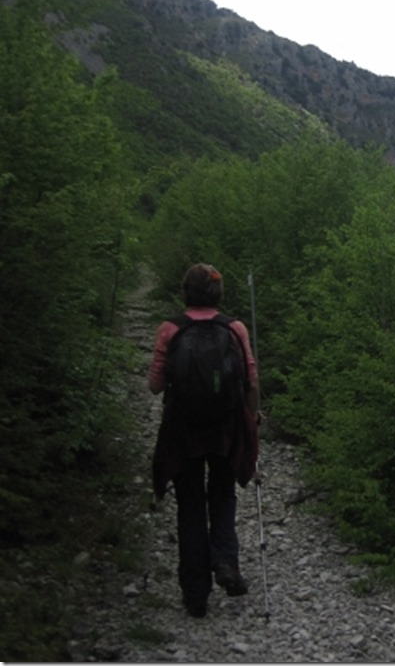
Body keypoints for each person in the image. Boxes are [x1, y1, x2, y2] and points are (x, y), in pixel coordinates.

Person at [148, 263, 260, 618]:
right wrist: (252, 419)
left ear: (186, 292)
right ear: (218, 293)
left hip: (183, 430)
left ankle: (196, 594)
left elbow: (155, 386)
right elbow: (251, 381)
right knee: (223, 493)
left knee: (190, 503)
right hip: (225, 427)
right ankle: (226, 561)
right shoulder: (235, 328)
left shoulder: (170, 329)